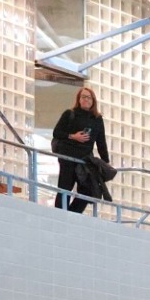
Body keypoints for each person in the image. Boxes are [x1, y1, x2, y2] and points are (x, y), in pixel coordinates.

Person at [51, 85, 109, 214]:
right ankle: (60, 215)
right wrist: (73, 136)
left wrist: (106, 162)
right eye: (83, 97)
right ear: (78, 99)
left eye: (89, 97)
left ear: (93, 101)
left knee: (88, 190)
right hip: (68, 158)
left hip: (84, 160)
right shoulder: (69, 114)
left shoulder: (97, 120)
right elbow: (57, 132)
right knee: (65, 188)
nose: (86, 100)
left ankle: (71, 214)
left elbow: (101, 142)